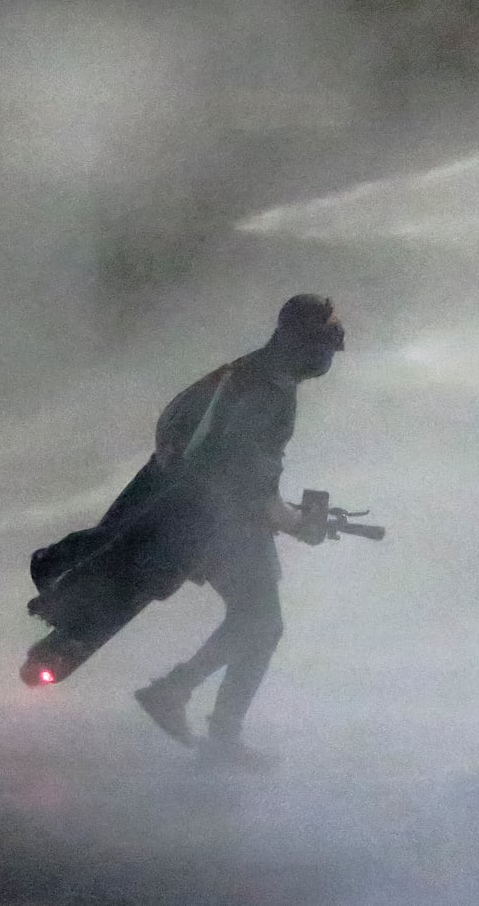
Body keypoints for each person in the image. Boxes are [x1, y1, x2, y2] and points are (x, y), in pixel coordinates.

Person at [131, 293, 344, 770]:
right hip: (216, 521)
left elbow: (176, 425)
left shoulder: (243, 371)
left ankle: (203, 717)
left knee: (259, 623)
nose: (328, 356)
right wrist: (297, 524)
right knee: (262, 622)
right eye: (324, 344)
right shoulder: (272, 392)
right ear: (303, 343)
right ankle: (185, 702)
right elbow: (253, 481)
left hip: (195, 512)